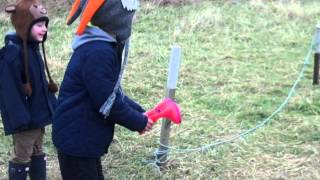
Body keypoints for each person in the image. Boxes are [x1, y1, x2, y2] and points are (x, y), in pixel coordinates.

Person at [52, 0, 180, 179]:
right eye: (130, 15)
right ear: (117, 19)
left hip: (82, 138)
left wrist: (139, 112)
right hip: (76, 139)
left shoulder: (101, 46)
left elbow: (112, 92)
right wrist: (137, 121)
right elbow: (106, 100)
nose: (133, 20)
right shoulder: (99, 52)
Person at [0, 0, 58, 179]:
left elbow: (39, 83)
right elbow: (9, 92)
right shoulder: (12, 54)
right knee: (22, 155)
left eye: (45, 25)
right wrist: (21, 120)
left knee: (37, 151)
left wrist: (52, 106)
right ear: (25, 25)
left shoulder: (33, 49)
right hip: (25, 120)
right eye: (39, 25)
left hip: (38, 116)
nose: (44, 29)